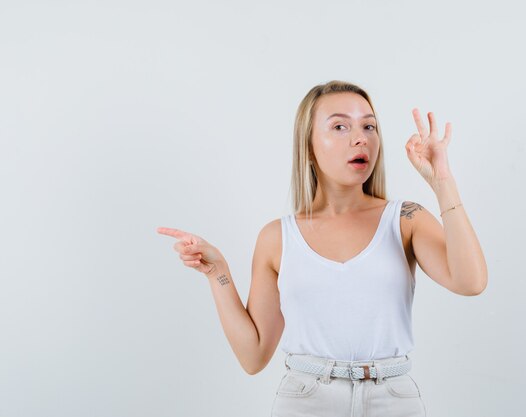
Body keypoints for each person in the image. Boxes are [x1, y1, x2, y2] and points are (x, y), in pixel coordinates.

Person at [157, 80, 488, 416]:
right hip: (306, 399)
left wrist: (442, 181)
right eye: (340, 126)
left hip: (392, 398)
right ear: (309, 146)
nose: (361, 138)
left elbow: (471, 282)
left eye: (369, 126)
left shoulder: (405, 219)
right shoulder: (277, 237)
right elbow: (253, 356)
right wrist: (218, 273)